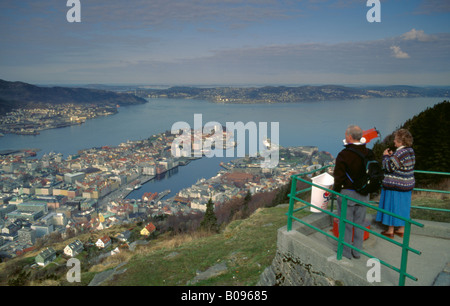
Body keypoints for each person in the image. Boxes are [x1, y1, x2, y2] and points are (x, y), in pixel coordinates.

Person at [333, 125, 374, 259]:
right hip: (364, 194)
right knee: (359, 223)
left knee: (346, 224)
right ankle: (357, 251)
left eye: (346, 135)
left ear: (350, 137)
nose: (345, 137)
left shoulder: (344, 154)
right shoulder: (369, 153)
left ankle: (346, 253)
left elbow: (338, 177)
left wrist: (336, 191)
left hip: (347, 193)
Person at [376, 129, 415, 238]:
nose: (394, 141)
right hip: (407, 185)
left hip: (396, 185)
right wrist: (393, 157)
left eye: (395, 139)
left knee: (392, 206)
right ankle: (401, 229)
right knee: (403, 207)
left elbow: (389, 167)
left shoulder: (400, 152)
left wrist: (385, 156)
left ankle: (390, 231)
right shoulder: (410, 150)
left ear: (400, 141)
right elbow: (400, 163)